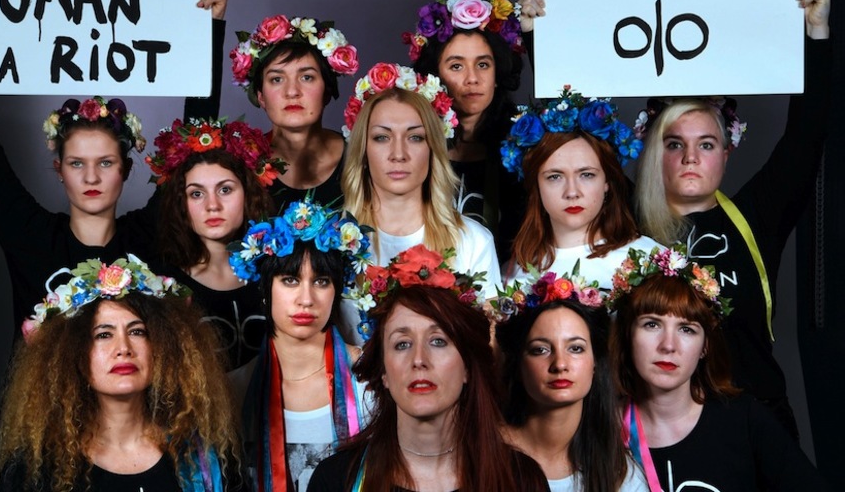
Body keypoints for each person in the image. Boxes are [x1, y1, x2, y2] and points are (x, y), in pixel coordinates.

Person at [0, 0, 230, 330]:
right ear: (59, 170)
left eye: (105, 163)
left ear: (126, 169)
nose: (91, 177)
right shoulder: (30, 236)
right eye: (76, 163)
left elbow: (195, 145)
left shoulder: (149, 237)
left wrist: (209, 26)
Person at [631, 0, 832, 437]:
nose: (690, 158)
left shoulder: (757, 215)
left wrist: (817, 31)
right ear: (653, 151)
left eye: (705, 144)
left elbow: (806, 136)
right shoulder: (625, 218)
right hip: (656, 426)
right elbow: (569, 146)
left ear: (726, 151)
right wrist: (545, 38)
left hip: (753, 423)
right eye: (674, 143)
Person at [0, 255, 247, 491]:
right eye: (103, 335)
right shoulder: (35, 468)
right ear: (73, 355)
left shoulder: (206, 459)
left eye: (137, 331)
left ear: (162, 346)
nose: (123, 349)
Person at [309, 244, 548, 491]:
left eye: (438, 341)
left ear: (466, 366)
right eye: (402, 344)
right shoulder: (337, 479)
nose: (419, 359)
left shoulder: (522, 480)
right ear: (384, 372)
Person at [607, 245, 830, 492]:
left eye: (687, 329)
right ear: (627, 336)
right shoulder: (600, 426)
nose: (668, 345)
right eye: (652, 325)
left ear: (705, 347)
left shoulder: (744, 419)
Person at [227, 198, 373, 492]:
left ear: (337, 290)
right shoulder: (232, 390)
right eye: (290, 280)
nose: (306, 299)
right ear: (265, 290)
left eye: (321, 282)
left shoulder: (372, 380)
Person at [341, 62, 500, 303]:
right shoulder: (332, 242)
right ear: (363, 152)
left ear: (433, 150)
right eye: (382, 137)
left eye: (415, 137)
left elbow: (487, 338)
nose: (398, 154)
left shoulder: (473, 242)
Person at [145, 116, 283, 368]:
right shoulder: (162, 283)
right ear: (181, 205)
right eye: (196, 194)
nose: (212, 205)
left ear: (248, 195)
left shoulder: (278, 272)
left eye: (225, 189)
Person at [491, 274, 647, 492]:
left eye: (575, 348)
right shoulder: (484, 454)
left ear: (595, 363)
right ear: (519, 365)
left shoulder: (620, 474)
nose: (560, 364)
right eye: (540, 350)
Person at [403, 0, 527, 261]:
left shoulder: (523, 147)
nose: (472, 78)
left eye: (483, 64)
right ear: (435, 77)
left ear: (497, 74)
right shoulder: (412, 147)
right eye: (456, 66)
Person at [500, 87, 657, 290]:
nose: (572, 192)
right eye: (555, 177)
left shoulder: (648, 262)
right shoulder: (513, 274)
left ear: (607, 181)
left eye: (586, 175)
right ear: (535, 186)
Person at [230, 15, 359, 211]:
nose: (292, 92)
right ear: (260, 96)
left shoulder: (360, 156)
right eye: (276, 79)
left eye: (307, 77)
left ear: (327, 91)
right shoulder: (240, 165)